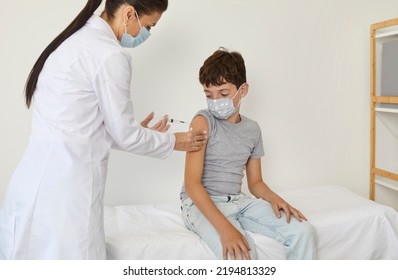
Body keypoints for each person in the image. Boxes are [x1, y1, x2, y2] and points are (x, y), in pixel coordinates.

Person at [0, 0, 207, 260]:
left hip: (32, 185)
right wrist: (174, 141)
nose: (146, 35)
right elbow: (124, 135)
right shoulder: (110, 55)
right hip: (65, 196)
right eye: (149, 27)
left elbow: (82, 126)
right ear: (129, 13)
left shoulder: (73, 41)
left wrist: (134, 131)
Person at [180, 48, 317, 260]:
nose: (215, 101)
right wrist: (226, 229)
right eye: (209, 95)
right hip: (200, 203)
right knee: (241, 253)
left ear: (242, 90)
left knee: (304, 232)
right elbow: (192, 185)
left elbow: (256, 183)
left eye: (223, 94)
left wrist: (276, 199)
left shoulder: (252, 130)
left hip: (238, 200)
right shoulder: (202, 122)